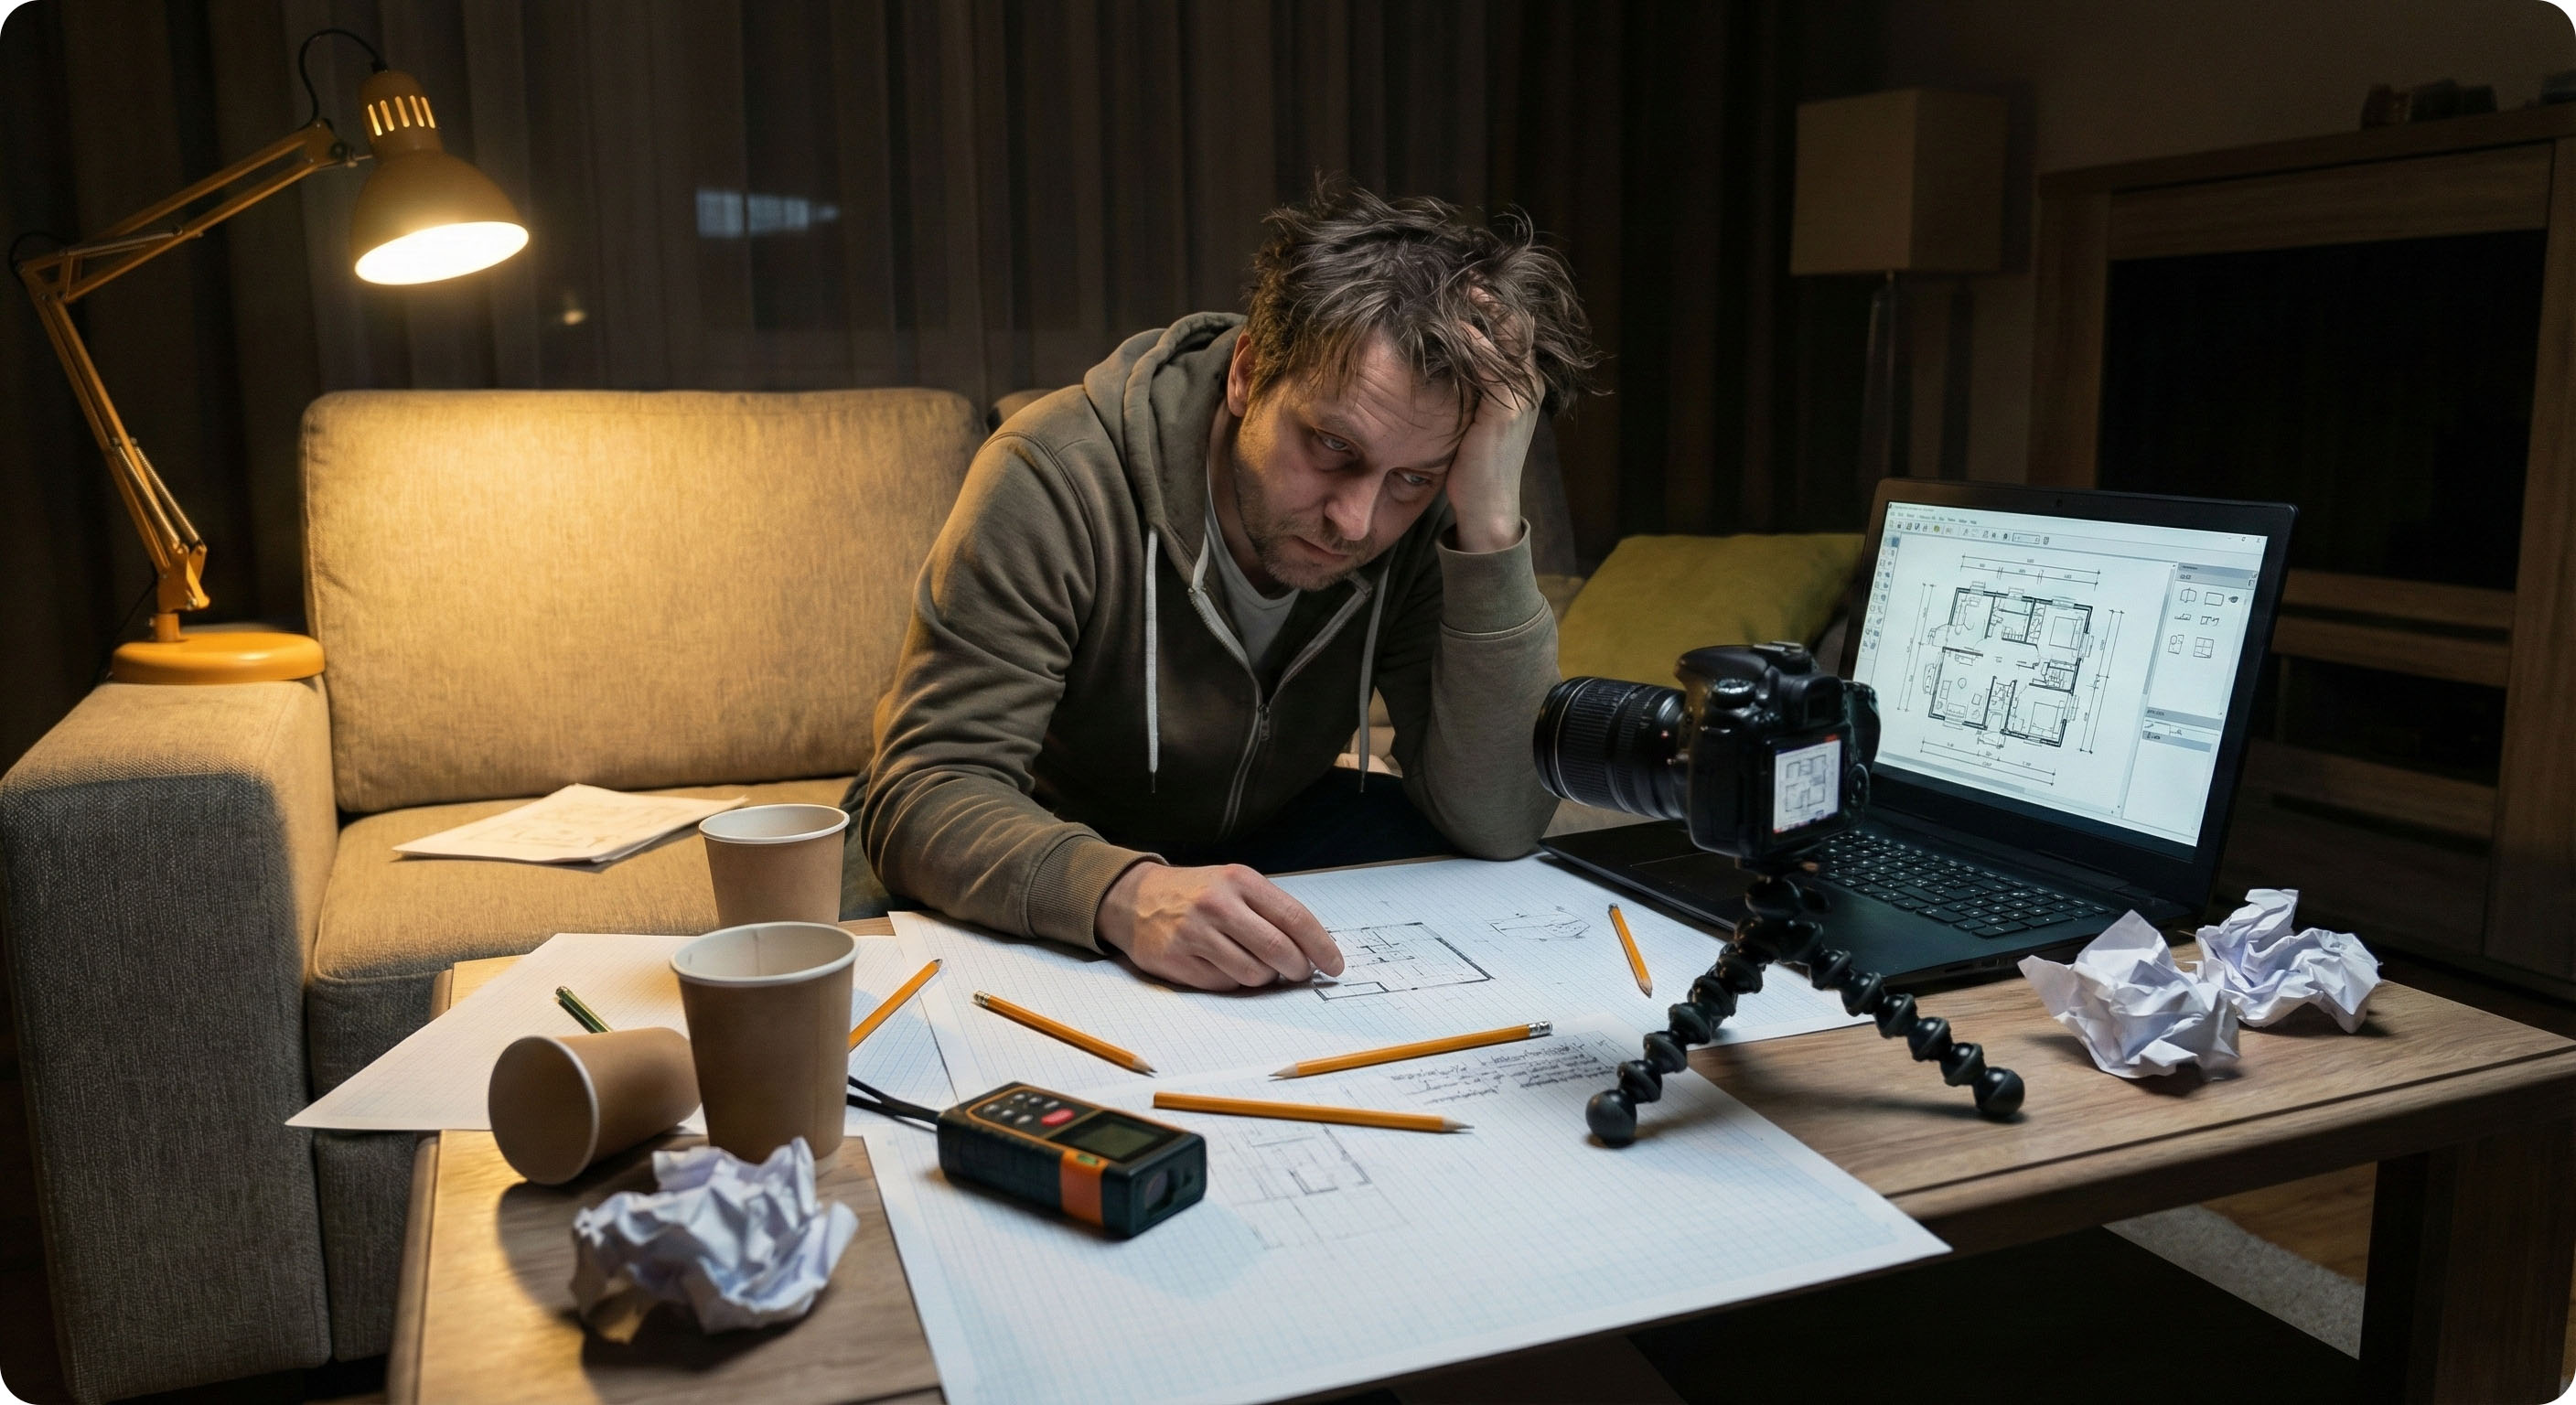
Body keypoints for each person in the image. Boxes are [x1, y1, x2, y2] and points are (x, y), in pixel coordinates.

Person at [859, 180, 1598, 992]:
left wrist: (1488, 518)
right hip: (1051, 851)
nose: (1355, 523)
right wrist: (1122, 891)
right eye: (1330, 446)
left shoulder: (1428, 523)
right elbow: (926, 790)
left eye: (1412, 478)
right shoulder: (1055, 475)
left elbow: (1498, 823)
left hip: (1264, 840)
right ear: (1248, 372)